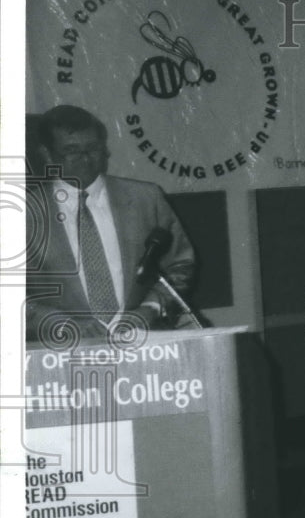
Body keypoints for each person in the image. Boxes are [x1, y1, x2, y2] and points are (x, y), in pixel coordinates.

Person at [26, 105, 196, 342]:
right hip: (61, 355)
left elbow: (180, 265)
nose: (85, 159)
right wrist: (58, 322)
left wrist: (150, 308)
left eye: (93, 148)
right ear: (46, 154)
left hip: (147, 343)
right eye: (71, 151)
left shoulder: (146, 199)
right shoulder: (20, 215)